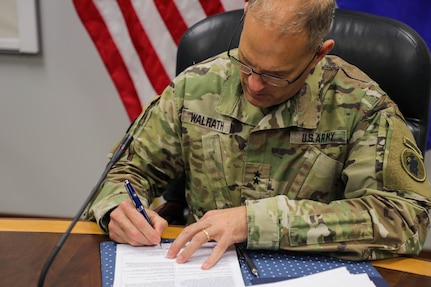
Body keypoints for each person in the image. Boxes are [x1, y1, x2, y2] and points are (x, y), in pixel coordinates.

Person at [83, 0, 431, 270]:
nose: (252, 83)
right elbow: (124, 171)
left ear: (317, 55)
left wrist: (257, 222)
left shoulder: (361, 107)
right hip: (203, 271)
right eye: (246, 62)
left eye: (275, 76)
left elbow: (404, 218)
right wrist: (118, 207)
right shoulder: (196, 88)